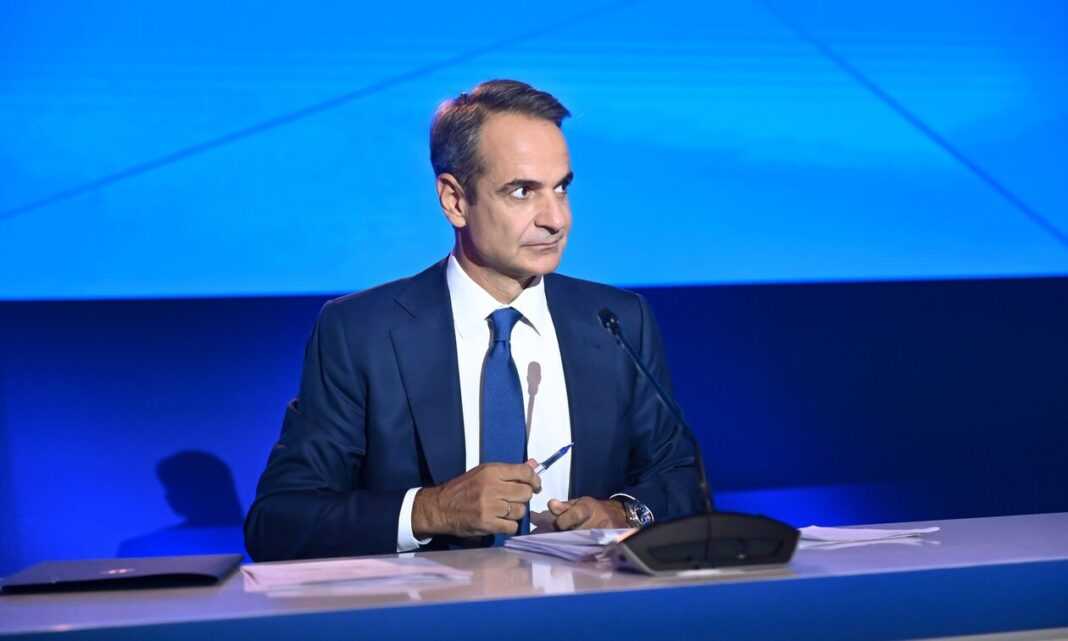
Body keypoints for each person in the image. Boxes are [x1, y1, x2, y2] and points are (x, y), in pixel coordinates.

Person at [245, 79, 705, 561]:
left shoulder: (616, 322)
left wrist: (621, 514)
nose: (556, 219)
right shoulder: (362, 332)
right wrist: (432, 510)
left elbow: (681, 481)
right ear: (454, 200)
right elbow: (279, 522)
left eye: (561, 188)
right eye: (522, 191)